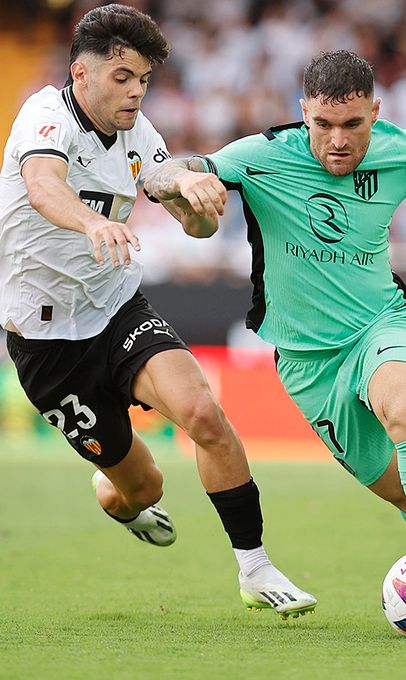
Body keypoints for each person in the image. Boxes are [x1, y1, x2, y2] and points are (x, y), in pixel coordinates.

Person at [145, 49, 406, 630]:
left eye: (353, 124)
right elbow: (169, 170)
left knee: (403, 409)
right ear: (304, 114)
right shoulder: (264, 155)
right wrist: (180, 178)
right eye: (323, 125)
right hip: (305, 362)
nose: (337, 140)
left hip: (380, 325)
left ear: (375, 111)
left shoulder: (403, 149)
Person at [0, 4, 315, 619]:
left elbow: (191, 226)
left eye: (143, 79)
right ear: (81, 74)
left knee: (203, 413)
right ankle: (115, 490)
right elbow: (43, 187)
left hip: (117, 308)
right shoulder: (43, 116)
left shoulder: (142, 136)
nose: (135, 91)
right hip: (45, 343)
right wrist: (92, 220)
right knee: (143, 489)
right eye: (122, 78)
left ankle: (254, 565)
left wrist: (199, 202)